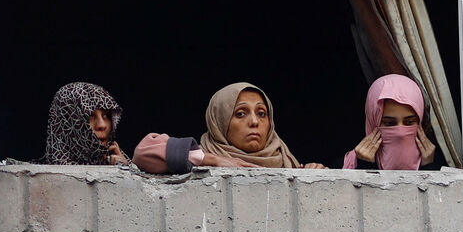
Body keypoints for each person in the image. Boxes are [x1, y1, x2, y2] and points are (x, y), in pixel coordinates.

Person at [132, 81, 325, 173]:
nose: (254, 122)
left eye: (261, 113)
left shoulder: (287, 164)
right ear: (219, 122)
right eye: (240, 113)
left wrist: (314, 172)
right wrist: (213, 160)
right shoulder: (199, 157)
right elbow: (143, 153)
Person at [342, 74, 444, 170]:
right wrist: (364, 167)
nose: (400, 132)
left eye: (409, 122)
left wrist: (429, 167)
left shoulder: (440, 163)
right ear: (373, 122)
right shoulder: (346, 167)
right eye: (390, 123)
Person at [38, 82, 130, 165]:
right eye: (90, 116)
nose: (102, 125)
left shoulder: (122, 164)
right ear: (67, 123)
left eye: (106, 116)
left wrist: (123, 169)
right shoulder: (40, 175)